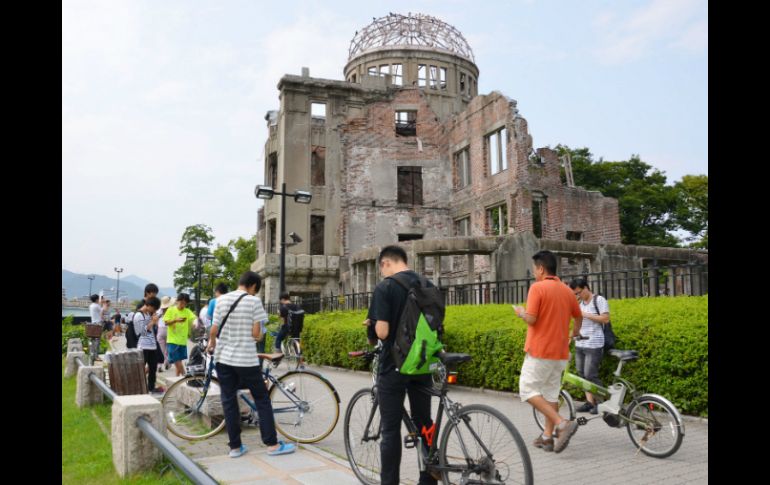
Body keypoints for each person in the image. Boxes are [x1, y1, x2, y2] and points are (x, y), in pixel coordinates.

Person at [206, 271, 296, 458]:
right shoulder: (253, 301)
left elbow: (213, 329)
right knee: (261, 398)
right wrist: (257, 334)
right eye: (256, 289)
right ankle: (272, 445)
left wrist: (211, 343)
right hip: (245, 359)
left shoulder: (221, 300)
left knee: (228, 400)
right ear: (253, 286)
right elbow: (257, 334)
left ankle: (235, 448)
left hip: (223, 358)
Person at [367, 245, 436, 485]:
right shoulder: (427, 284)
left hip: (394, 365)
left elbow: (382, 332)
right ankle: (428, 479)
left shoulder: (385, 287)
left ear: (386, 263)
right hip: (422, 362)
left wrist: (372, 323)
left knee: (390, 430)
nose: (382, 273)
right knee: (424, 422)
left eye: (381, 269)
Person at [512, 250, 582, 454]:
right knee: (551, 394)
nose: (534, 273)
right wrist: (574, 333)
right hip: (560, 353)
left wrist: (521, 313)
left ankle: (562, 423)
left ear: (541, 269)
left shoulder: (537, 288)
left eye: (535, 269)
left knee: (526, 389)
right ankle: (547, 437)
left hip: (540, 350)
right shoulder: (567, 291)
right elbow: (578, 317)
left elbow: (532, 319)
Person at [569, 278, 610, 414]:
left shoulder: (599, 300)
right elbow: (577, 323)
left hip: (594, 344)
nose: (578, 296)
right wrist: (571, 337)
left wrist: (585, 314)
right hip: (580, 343)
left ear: (586, 288)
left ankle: (602, 404)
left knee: (590, 374)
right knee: (581, 374)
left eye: (579, 292)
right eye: (575, 294)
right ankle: (590, 402)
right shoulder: (579, 304)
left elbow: (605, 318)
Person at [133, 296, 164, 393]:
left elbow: (152, 330)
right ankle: (138, 388)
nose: (154, 311)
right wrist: (152, 322)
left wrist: (155, 321)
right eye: (154, 309)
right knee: (140, 368)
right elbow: (140, 332)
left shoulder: (148, 314)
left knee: (153, 368)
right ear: (149, 305)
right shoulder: (138, 315)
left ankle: (151, 387)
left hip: (152, 345)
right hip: (143, 346)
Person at [164, 293, 196, 376]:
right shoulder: (171, 310)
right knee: (175, 359)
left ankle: (177, 379)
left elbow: (194, 318)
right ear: (177, 301)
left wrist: (195, 323)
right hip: (172, 340)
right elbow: (166, 322)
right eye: (181, 302)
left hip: (182, 340)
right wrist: (175, 320)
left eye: (185, 303)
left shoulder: (187, 311)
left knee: (179, 361)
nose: (183, 305)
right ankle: (185, 375)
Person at [156, 296, 175, 372]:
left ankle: (159, 365)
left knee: (161, 349)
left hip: (160, 330)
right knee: (168, 348)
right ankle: (167, 362)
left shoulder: (159, 311)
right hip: (169, 330)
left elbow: (155, 320)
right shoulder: (172, 310)